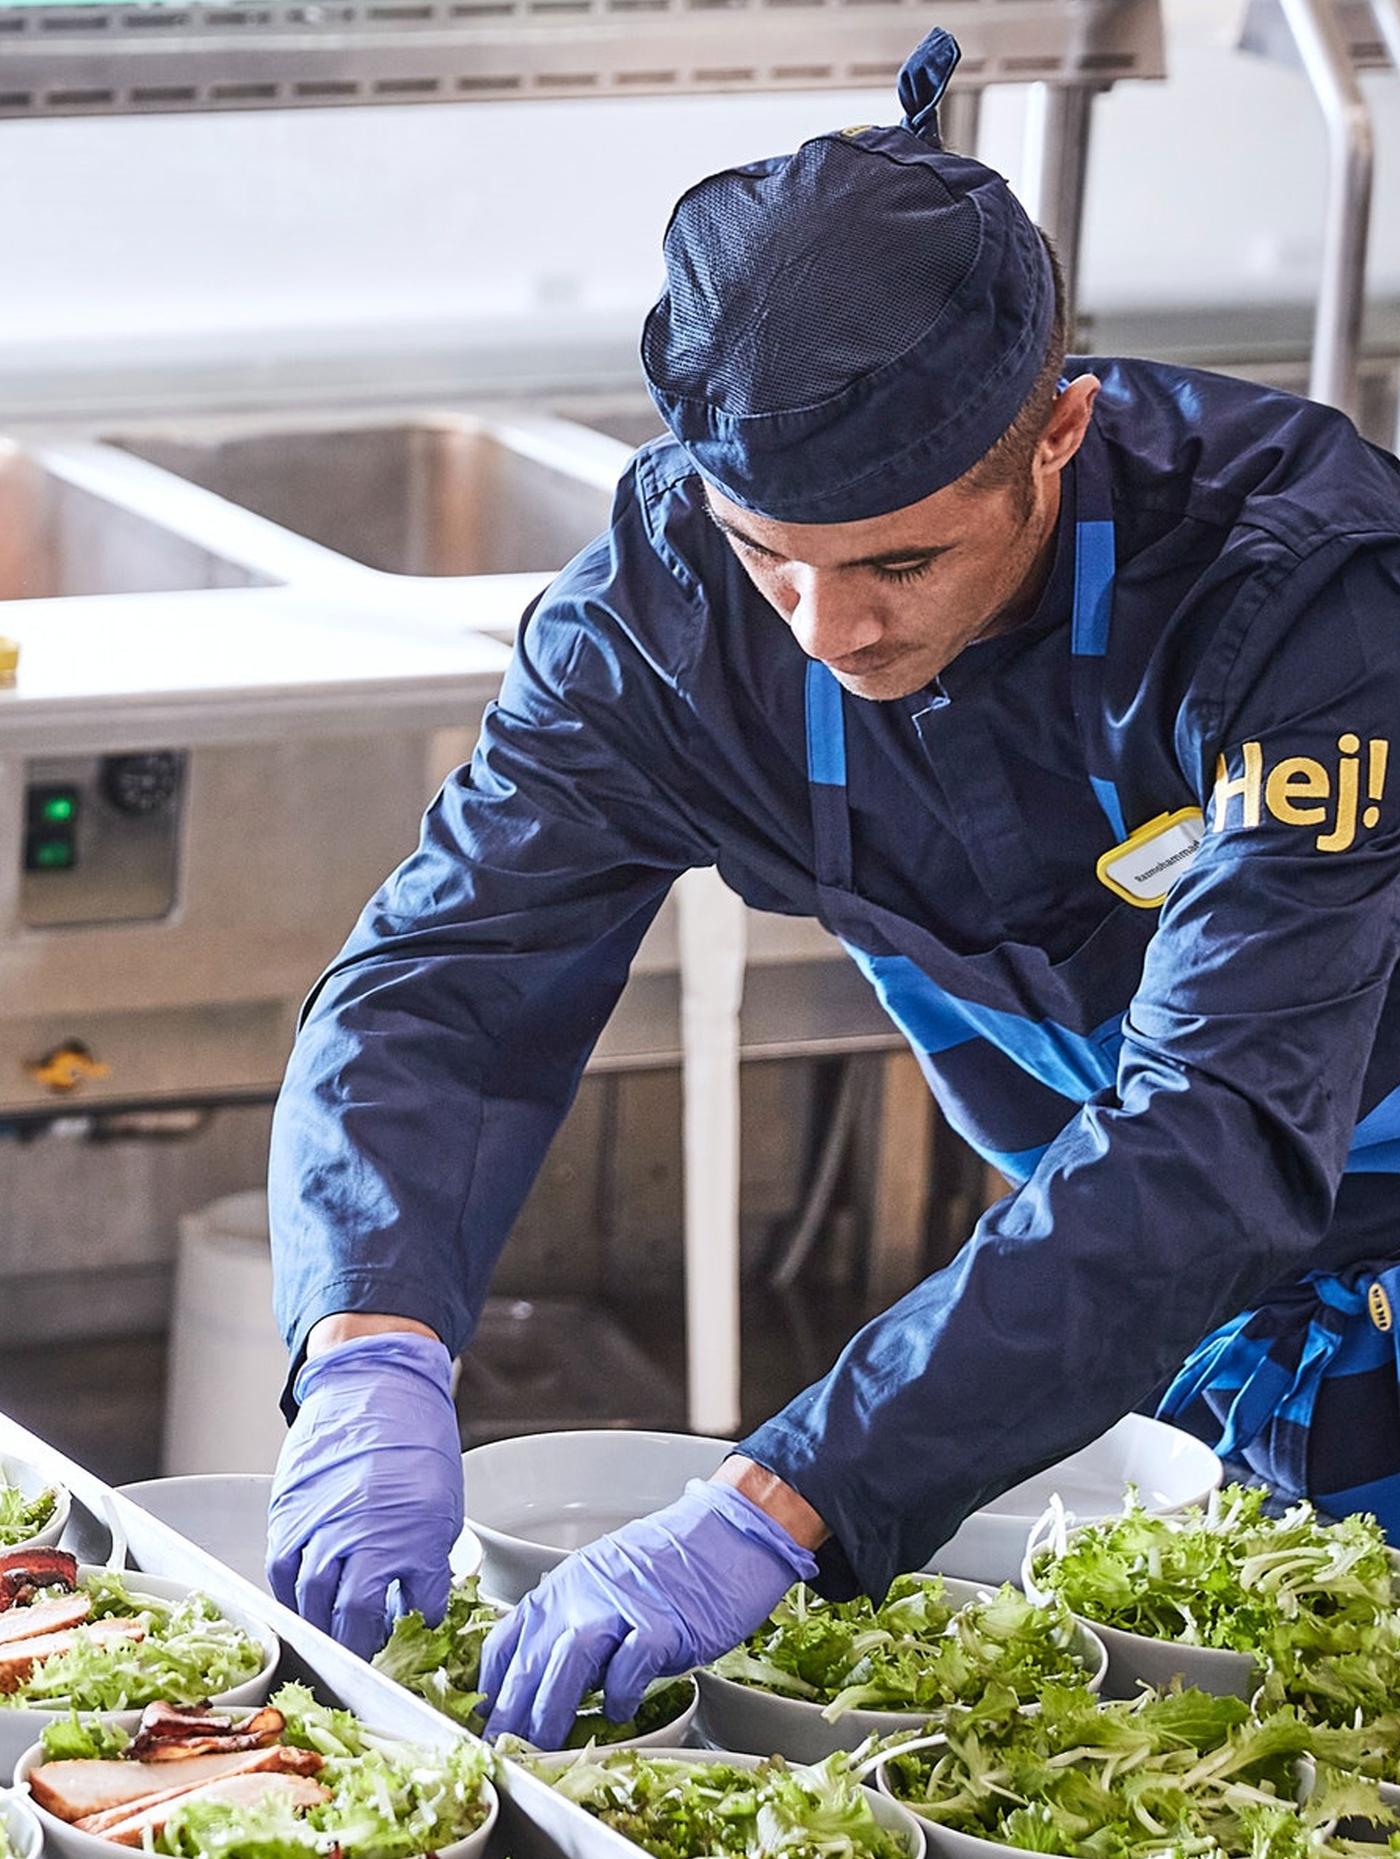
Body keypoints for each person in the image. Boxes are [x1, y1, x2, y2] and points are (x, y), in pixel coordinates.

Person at [265, 23, 1400, 1751]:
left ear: (1059, 435)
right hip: (1134, 1283)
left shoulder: (1304, 602)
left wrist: (779, 1506)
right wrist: (365, 1341)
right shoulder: (658, 628)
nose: (828, 629)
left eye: (901, 559)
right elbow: (445, 988)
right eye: (765, 553)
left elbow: (1217, 1133)